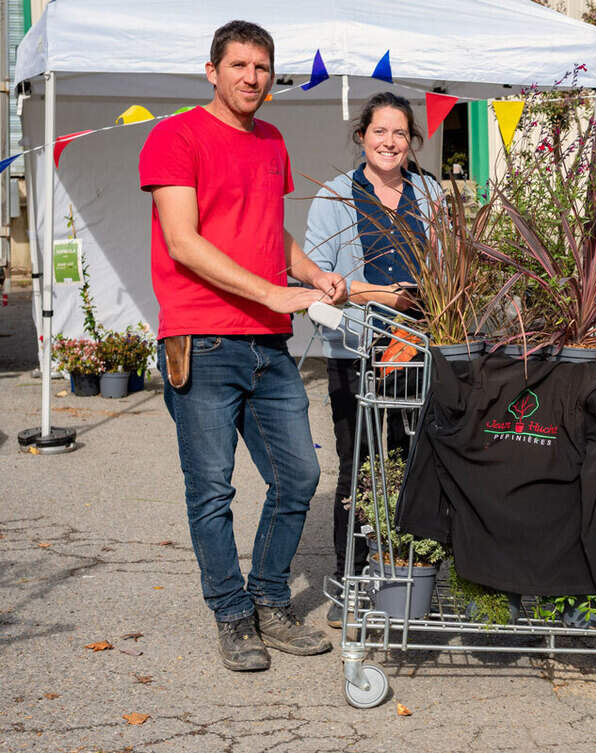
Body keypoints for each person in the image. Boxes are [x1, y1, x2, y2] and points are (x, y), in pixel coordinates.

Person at [139, 20, 346, 671]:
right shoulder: (174, 136)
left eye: (262, 67)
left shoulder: (272, 141)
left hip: (266, 343)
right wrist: (275, 292)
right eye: (239, 65)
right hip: (200, 339)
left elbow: (267, 224)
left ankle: (268, 599)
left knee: (300, 476)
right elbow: (183, 240)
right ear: (212, 70)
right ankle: (232, 615)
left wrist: (310, 274)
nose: (251, 77)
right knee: (212, 490)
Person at [304, 92, 443, 628]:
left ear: (412, 142)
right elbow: (317, 281)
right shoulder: (336, 197)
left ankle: (410, 574)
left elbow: (450, 263)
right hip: (357, 351)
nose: (390, 142)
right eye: (380, 132)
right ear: (362, 135)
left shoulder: (428, 193)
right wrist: (385, 296)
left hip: (419, 348)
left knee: (416, 464)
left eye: (400, 134)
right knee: (359, 466)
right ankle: (350, 579)